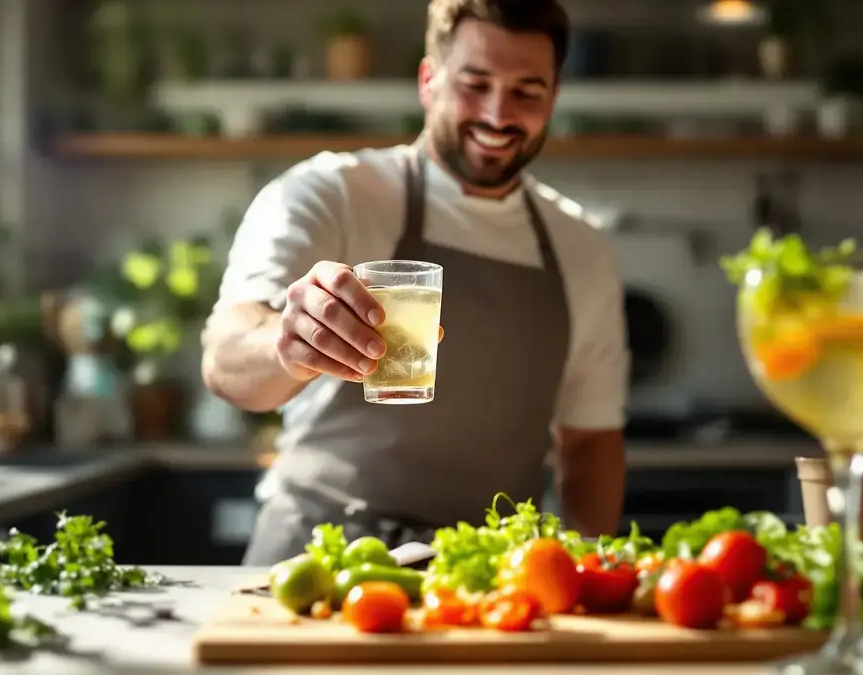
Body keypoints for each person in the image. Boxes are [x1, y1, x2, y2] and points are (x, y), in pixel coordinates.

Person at [201, 0, 630, 566]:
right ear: (430, 81)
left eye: (527, 91)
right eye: (476, 84)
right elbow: (226, 360)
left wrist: (591, 568)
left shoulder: (583, 248)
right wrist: (288, 340)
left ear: (553, 98)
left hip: (482, 578)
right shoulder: (332, 194)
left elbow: (590, 440)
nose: (499, 115)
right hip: (316, 560)